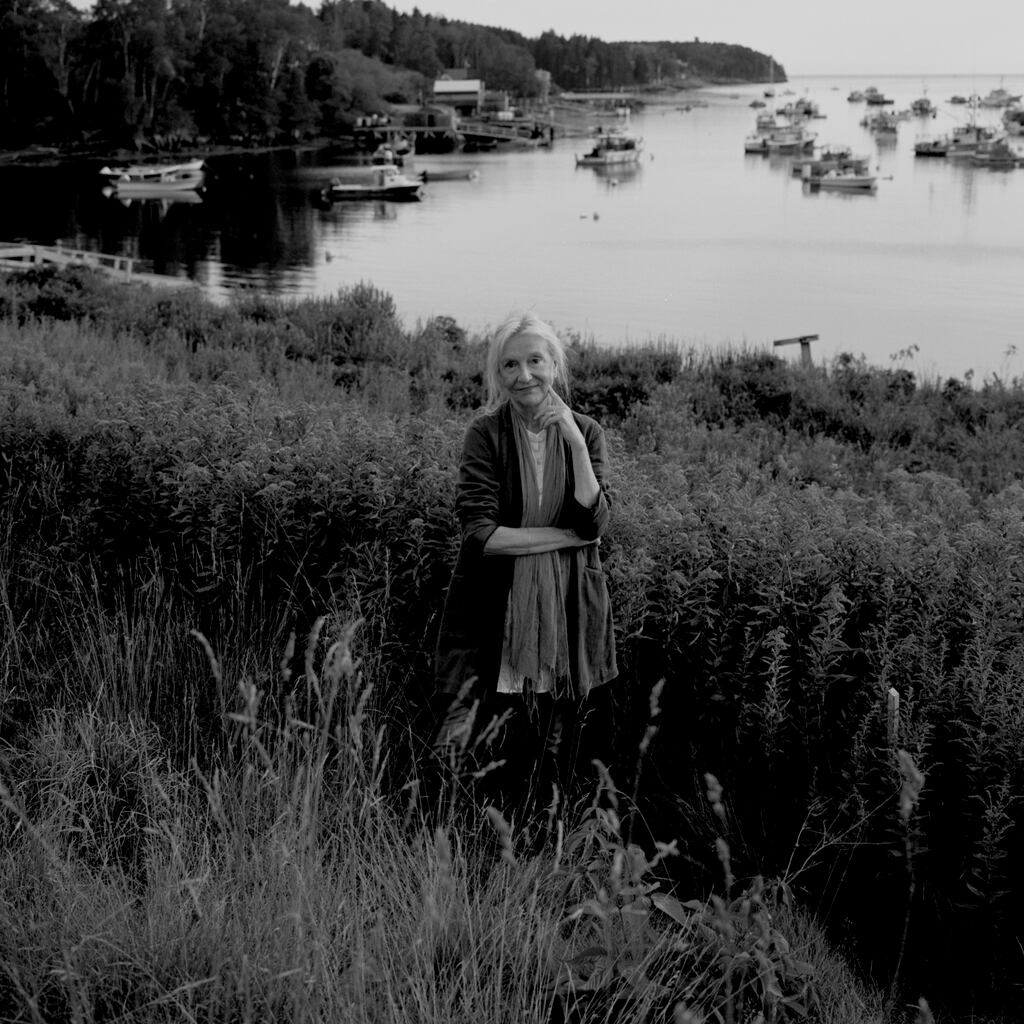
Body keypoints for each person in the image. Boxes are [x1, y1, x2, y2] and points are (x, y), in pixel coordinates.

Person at [433, 313, 618, 820]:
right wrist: (564, 537)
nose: (523, 375)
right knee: (464, 745)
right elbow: (482, 537)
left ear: (554, 364)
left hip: (567, 612)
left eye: (535, 360)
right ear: (498, 374)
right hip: (491, 613)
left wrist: (576, 446)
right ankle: (457, 847)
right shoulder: (485, 434)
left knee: (555, 752)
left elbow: (595, 517)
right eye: (510, 364)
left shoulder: (587, 432)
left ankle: (541, 854)